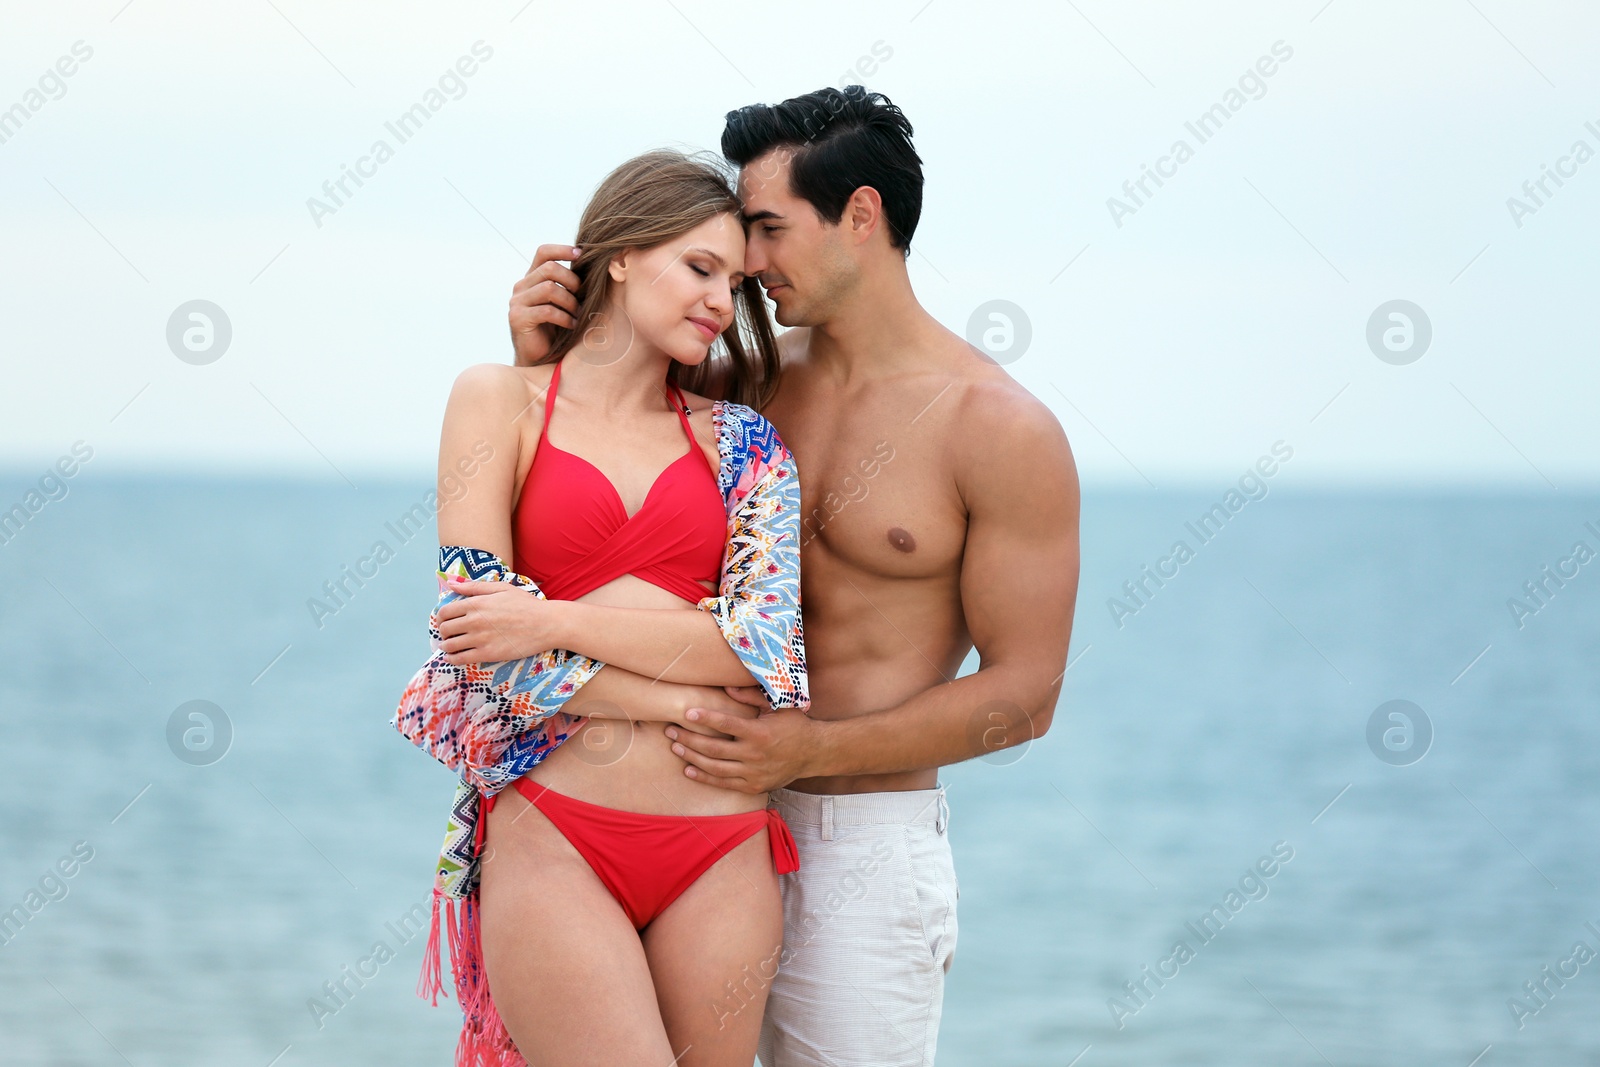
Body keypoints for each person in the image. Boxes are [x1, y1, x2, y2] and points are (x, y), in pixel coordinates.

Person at [506, 87, 1081, 1066]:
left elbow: (1024, 698)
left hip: (862, 841)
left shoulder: (997, 427)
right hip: (688, 817)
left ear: (860, 215)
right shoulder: (744, 384)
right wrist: (539, 353)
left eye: (767, 229)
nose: (748, 264)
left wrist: (806, 747)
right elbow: (578, 502)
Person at [398, 149, 812, 1067]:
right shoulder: (496, 401)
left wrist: (552, 620)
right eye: (699, 268)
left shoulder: (745, 445)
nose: (720, 300)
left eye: (736, 283)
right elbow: (482, 645)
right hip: (556, 834)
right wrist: (680, 691)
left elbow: (766, 654)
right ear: (619, 255)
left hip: (723, 848)